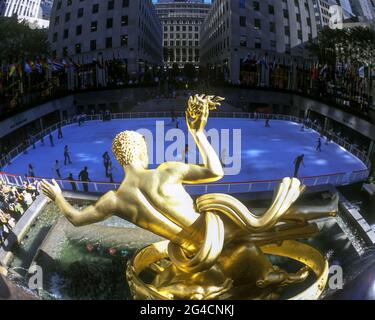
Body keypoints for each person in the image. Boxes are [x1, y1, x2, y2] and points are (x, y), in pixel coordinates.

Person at [41, 95, 339, 299]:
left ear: (120, 159)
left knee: (263, 232)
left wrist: (57, 196)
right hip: (216, 233)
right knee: (266, 228)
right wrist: (197, 133)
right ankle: (322, 216)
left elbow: (76, 219)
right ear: (142, 151)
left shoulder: (113, 200)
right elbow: (215, 170)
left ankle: (308, 233)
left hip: (193, 252)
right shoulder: (166, 171)